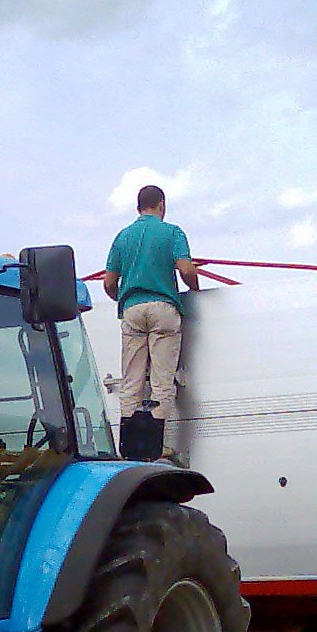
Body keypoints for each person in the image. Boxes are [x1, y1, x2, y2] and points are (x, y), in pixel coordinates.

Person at [103, 184, 199, 461]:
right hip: (163, 307)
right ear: (162, 205)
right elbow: (186, 269)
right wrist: (195, 288)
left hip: (132, 308)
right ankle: (155, 448)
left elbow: (109, 282)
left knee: (131, 379)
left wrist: (123, 298)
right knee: (162, 380)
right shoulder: (172, 232)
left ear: (138, 207)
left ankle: (129, 449)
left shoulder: (122, 237)